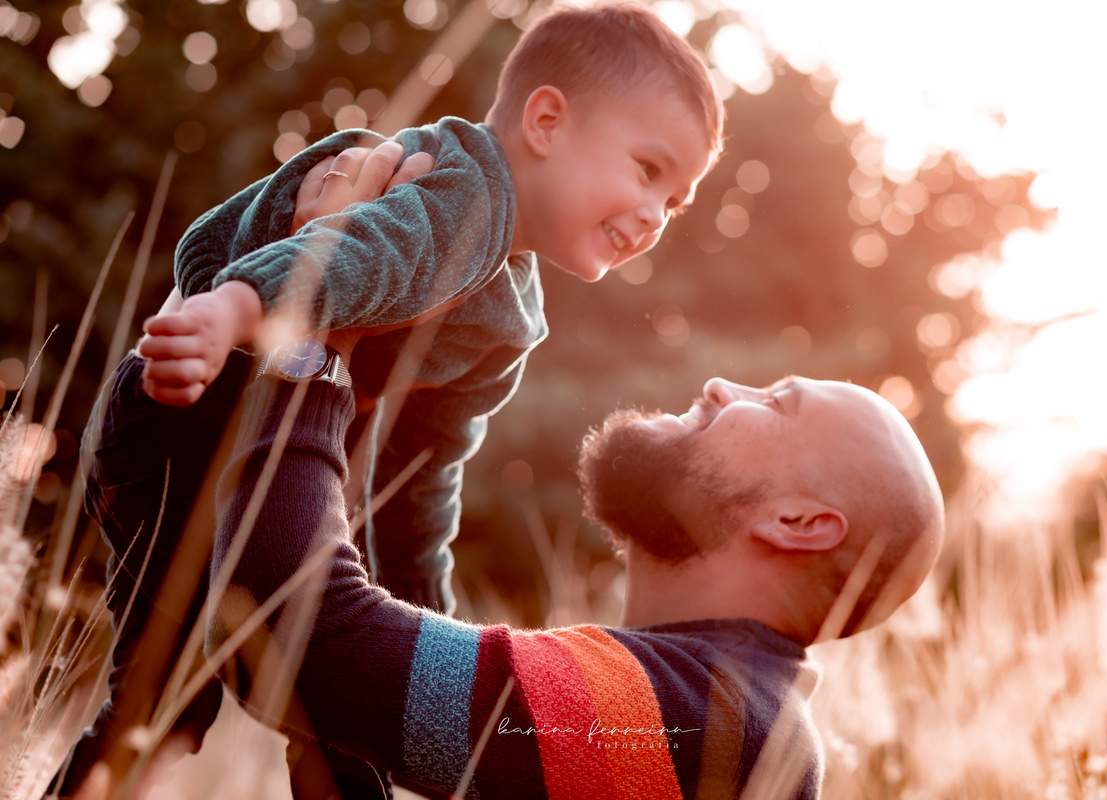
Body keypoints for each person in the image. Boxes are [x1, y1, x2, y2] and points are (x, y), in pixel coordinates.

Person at [55, 5, 722, 796]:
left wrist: (423, 620)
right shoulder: (460, 190)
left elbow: (422, 473)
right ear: (546, 121)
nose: (653, 217)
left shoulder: (511, 316)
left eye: (674, 204)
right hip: (179, 427)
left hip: (264, 461)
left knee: (304, 728)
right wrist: (235, 307)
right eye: (649, 171)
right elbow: (360, 252)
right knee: (169, 701)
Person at [204, 345, 945, 799]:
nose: (724, 385)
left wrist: (306, 349)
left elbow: (301, 642)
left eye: (776, 403)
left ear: (798, 523)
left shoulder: (706, 721)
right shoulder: (717, 713)